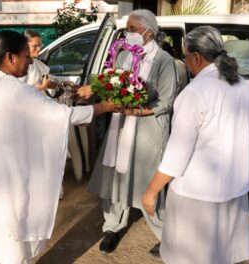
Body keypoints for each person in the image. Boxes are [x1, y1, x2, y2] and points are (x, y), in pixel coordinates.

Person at [0, 30, 115, 264]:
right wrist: (104, 108)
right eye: (26, 56)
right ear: (10, 58)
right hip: (10, 175)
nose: (30, 61)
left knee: (1, 229)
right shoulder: (17, 90)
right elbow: (64, 115)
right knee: (14, 236)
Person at [142, 26, 249, 263]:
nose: (185, 61)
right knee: (221, 256)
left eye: (184, 56)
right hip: (233, 188)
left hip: (198, 195)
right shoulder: (243, 86)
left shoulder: (195, 93)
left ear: (196, 57)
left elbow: (177, 154)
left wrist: (151, 191)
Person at [81, 9, 177, 255]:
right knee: (115, 178)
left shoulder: (163, 59)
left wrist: (137, 110)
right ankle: (112, 227)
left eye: (133, 29)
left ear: (149, 31)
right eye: (128, 29)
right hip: (119, 127)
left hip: (146, 130)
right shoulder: (122, 55)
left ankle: (166, 235)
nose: (129, 34)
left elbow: (166, 102)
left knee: (148, 182)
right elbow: (112, 84)